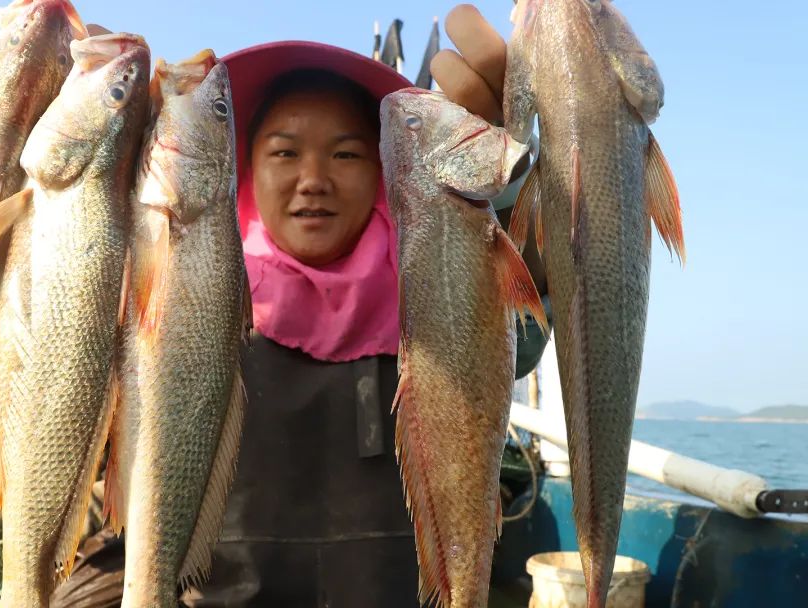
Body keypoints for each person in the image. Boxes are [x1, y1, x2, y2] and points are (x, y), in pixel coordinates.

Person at [176, 5, 550, 607]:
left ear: (386, 170)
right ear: (244, 168)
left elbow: (526, 320)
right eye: (285, 152)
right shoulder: (190, 299)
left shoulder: (438, 283)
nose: (313, 179)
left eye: (347, 154)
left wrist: (503, 185)